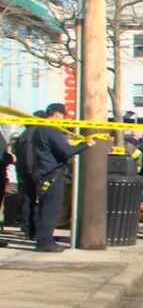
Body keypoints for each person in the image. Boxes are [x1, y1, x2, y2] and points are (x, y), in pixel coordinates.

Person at [31, 103, 93, 252]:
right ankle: (45, 241)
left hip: (43, 172)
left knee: (44, 207)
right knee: (50, 209)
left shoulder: (39, 129)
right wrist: (86, 144)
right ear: (57, 115)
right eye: (63, 116)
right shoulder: (52, 130)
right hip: (53, 173)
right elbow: (66, 151)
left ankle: (43, 238)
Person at [14, 111, 46, 239]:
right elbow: (29, 157)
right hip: (33, 172)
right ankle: (31, 230)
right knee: (34, 201)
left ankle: (28, 229)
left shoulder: (24, 135)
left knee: (28, 199)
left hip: (24, 172)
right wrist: (34, 172)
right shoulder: (33, 134)